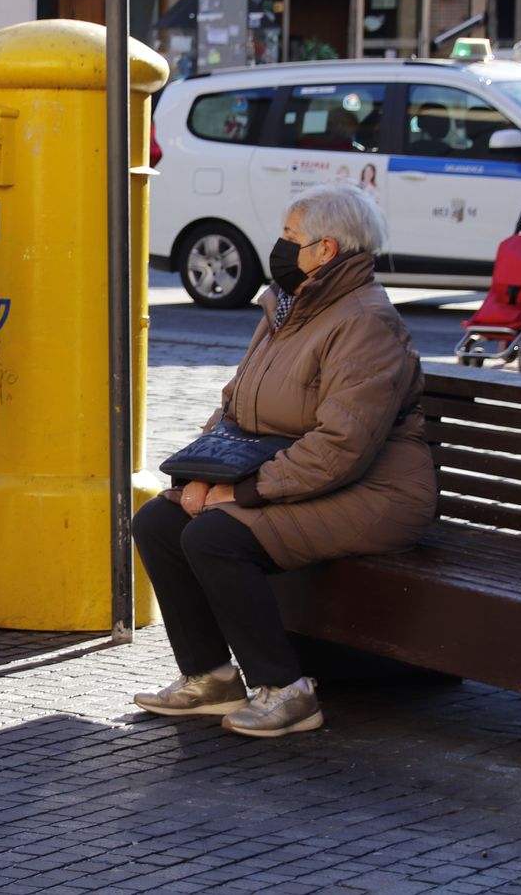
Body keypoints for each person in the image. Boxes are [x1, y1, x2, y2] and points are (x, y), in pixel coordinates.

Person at [131, 183, 435, 738]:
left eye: (290, 236)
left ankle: (288, 691)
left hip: (374, 492)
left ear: (327, 250)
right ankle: (211, 678)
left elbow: (341, 448)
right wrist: (199, 476)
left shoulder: (366, 321)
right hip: (293, 475)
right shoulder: (285, 308)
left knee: (213, 536)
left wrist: (241, 494)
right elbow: (234, 407)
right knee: (158, 520)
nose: (278, 245)